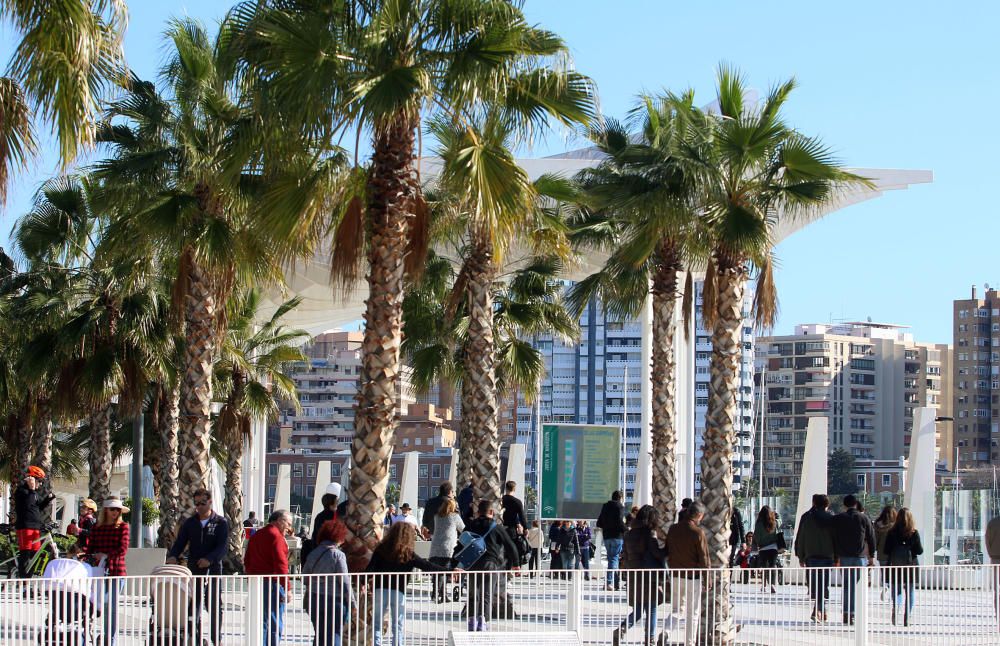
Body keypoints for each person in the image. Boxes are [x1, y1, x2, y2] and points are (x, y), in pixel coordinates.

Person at [366, 521, 452, 644]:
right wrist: (450, 571)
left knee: (377, 622)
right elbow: (428, 566)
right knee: (398, 624)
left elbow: (370, 569)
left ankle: (377, 643)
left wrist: (363, 582)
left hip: (381, 590)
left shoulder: (381, 549)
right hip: (398, 592)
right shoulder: (408, 553)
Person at [167, 488, 229, 645]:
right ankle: (194, 636)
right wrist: (173, 556)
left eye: (202, 503)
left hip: (213, 569)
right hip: (194, 568)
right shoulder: (190, 523)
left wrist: (209, 559)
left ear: (210, 502)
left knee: (214, 604)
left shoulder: (220, 523)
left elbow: (222, 547)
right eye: (196, 504)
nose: (199, 507)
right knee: (193, 604)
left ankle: (216, 639)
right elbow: (180, 542)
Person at [461, 500, 521, 632]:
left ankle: (471, 622)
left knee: (473, 594)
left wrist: (457, 565)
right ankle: (483, 622)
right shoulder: (496, 527)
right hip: (490, 564)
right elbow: (510, 545)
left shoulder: (471, 525)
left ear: (478, 512)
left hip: (472, 564)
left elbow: (460, 544)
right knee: (487, 594)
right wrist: (516, 564)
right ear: (491, 512)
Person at [612, 505, 666, 646]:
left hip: (634, 576)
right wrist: (666, 551)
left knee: (637, 610)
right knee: (652, 608)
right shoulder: (648, 534)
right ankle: (650, 638)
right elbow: (656, 553)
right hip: (649, 577)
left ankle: (622, 628)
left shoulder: (629, 534)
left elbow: (626, 556)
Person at [85, 498, 130, 646]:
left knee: (111, 607)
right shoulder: (97, 529)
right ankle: (96, 636)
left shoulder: (123, 527)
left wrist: (105, 555)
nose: (116, 512)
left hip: (116, 571)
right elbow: (90, 548)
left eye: (118, 510)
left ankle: (111, 640)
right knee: (98, 605)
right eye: (112, 509)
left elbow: (123, 549)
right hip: (98, 571)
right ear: (106, 511)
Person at [302, 519, 354, 646]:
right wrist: (353, 603)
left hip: (314, 598)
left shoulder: (313, 553)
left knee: (319, 634)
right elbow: (344, 581)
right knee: (334, 634)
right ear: (339, 536)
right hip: (333, 600)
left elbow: (305, 576)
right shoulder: (338, 555)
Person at [245, 510, 293, 646]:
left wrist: (250, 578)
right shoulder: (276, 537)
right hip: (272, 584)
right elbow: (281, 564)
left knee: (261, 621)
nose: (289, 528)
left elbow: (247, 560)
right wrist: (287, 588)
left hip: (256, 583)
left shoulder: (257, 535)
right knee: (274, 621)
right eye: (288, 524)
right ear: (279, 521)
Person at [665, 502, 710, 646]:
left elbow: (667, 549)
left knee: (677, 609)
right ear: (699, 515)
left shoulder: (673, 529)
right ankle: (690, 642)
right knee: (693, 613)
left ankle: (666, 631)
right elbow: (704, 557)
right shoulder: (698, 532)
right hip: (693, 577)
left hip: (676, 575)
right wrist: (706, 578)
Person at [832, 494, 876, 625]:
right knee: (858, 586)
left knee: (846, 586)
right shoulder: (864, 518)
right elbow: (871, 537)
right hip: (860, 557)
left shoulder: (838, 519)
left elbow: (833, 537)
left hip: (844, 557)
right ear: (856, 504)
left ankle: (846, 613)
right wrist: (871, 556)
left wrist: (836, 557)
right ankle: (855, 613)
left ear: (845, 505)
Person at [794, 494, 836, 623]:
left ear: (814, 503)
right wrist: (837, 556)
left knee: (815, 585)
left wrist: (800, 555)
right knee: (824, 585)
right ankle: (820, 610)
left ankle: (818, 610)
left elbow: (801, 537)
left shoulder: (807, 517)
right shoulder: (832, 518)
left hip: (811, 556)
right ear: (827, 504)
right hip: (828, 556)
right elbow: (836, 538)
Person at [13, 466, 55, 578]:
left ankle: (29, 579)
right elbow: (27, 504)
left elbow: (37, 507)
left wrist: (48, 499)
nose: (40, 484)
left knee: (35, 555)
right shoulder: (22, 491)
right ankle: (23, 581)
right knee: (25, 554)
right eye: (39, 481)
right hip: (26, 526)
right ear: (32, 479)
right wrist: (31, 489)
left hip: (35, 527)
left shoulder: (34, 493)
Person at [883, 507, 923, 627]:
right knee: (910, 591)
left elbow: (886, 550)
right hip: (910, 565)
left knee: (897, 590)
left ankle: (896, 608)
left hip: (895, 565)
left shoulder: (891, 532)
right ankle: (907, 617)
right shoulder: (913, 532)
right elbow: (920, 551)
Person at [429, 498, 464, 602]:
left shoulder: (437, 517)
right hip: (447, 547)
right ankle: (437, 595)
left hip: (435, 547)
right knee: (444, 571)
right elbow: (463, 529)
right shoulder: (454, 517)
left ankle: (440, 594)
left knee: (437, 571)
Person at [597, 490, 627, 591]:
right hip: (617, 536)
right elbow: (620, 521)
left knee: (612, 560)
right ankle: (609, 583)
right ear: (620, 498)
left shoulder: (605, 506)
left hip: (607, 536)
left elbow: (599, 522)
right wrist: (627, 529)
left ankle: (616, 582)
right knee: (614, 559)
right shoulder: (620, 507)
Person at [752, 506, 781, 594]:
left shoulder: (759, 524)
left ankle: (763, 585)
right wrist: (776, 514)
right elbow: (780, 521)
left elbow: (756, 536)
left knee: (764, 566)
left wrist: (758, 544)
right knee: (772, 565)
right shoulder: (774, 522)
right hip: (773, 547)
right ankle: (772, 585)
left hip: (763, 548)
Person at [873, 505, 897, 601]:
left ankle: (886, 585)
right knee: (894, 574)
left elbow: (875, 541)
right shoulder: (896, 525)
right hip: (894, 554)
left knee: (885, 573)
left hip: (882, 554)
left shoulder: (878, 525)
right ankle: (892, 592)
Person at [987, 512, 1000, 629]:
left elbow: (988, 542)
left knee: (997, 590)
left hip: (996, 559)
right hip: (995, 557)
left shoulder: (992, 523)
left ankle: (998, 618)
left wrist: (992, 555)